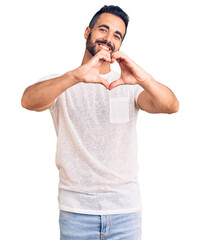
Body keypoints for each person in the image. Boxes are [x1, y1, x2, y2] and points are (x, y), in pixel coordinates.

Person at [21, 5, 179, 240]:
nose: (108, 38)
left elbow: (171, 106)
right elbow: (28, 100)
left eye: (117, 35)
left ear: (120, 45)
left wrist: (143, 78)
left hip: (125, 212)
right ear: (87, 32)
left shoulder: (129, 85)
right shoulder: (63, 82)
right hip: (76, 212)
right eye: (103, 30)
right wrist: (76, 76)